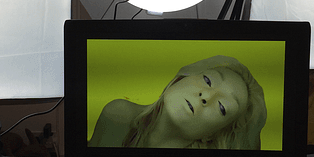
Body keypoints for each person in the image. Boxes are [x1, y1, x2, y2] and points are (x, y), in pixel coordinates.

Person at [89, 55, 266, 149]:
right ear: (181, 78)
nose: (206, 96)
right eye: (207, 80)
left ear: (211, 135)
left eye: (222, 107)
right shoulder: (119, 116)